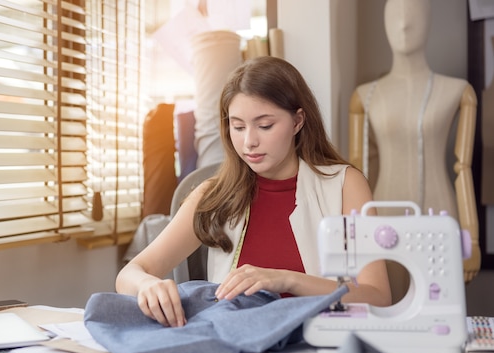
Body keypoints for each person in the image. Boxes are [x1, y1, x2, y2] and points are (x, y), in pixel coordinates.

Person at [117, 56, 391, 328]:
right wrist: (147, 285)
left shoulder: (345, 185)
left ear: (297, 122)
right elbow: (130, 274)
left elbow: (379, 297)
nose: (249, 142)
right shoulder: (213, 196)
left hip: (319, 347)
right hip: (239, 350)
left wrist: (287, 280)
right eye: (237, 127)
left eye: (265, 126)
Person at [348, 0, 480, 290]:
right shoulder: (364, 96)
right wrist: (350, 233)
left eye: (414, 14)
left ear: (428, 21)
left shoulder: (459, 91)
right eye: (395, 15)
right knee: (388, 309)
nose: (404, 23)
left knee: (438, 311)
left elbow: (463, 167)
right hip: (381, 211)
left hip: (438, 210)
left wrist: (471, 236)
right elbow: (356, 170)